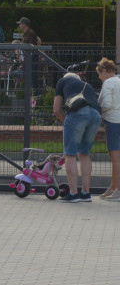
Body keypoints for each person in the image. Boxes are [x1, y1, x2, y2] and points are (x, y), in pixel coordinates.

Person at [54, 71, 101, 203]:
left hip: (78, 114)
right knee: (85, 153)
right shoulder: (88, 85)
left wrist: (66, 122)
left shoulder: (62, 81)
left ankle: (73, 194)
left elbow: (57, 109)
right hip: (96, 116)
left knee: (70, 154)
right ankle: (86, 193)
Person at [96, 58, 120, 201]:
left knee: (115, 157)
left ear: (104, 71)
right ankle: (113, 186)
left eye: (99, 74)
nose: (99, 77)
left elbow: (106, 104)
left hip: (112, 121)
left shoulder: (108, 83)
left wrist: (100, 108)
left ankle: (118, 190)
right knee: (115, 157)